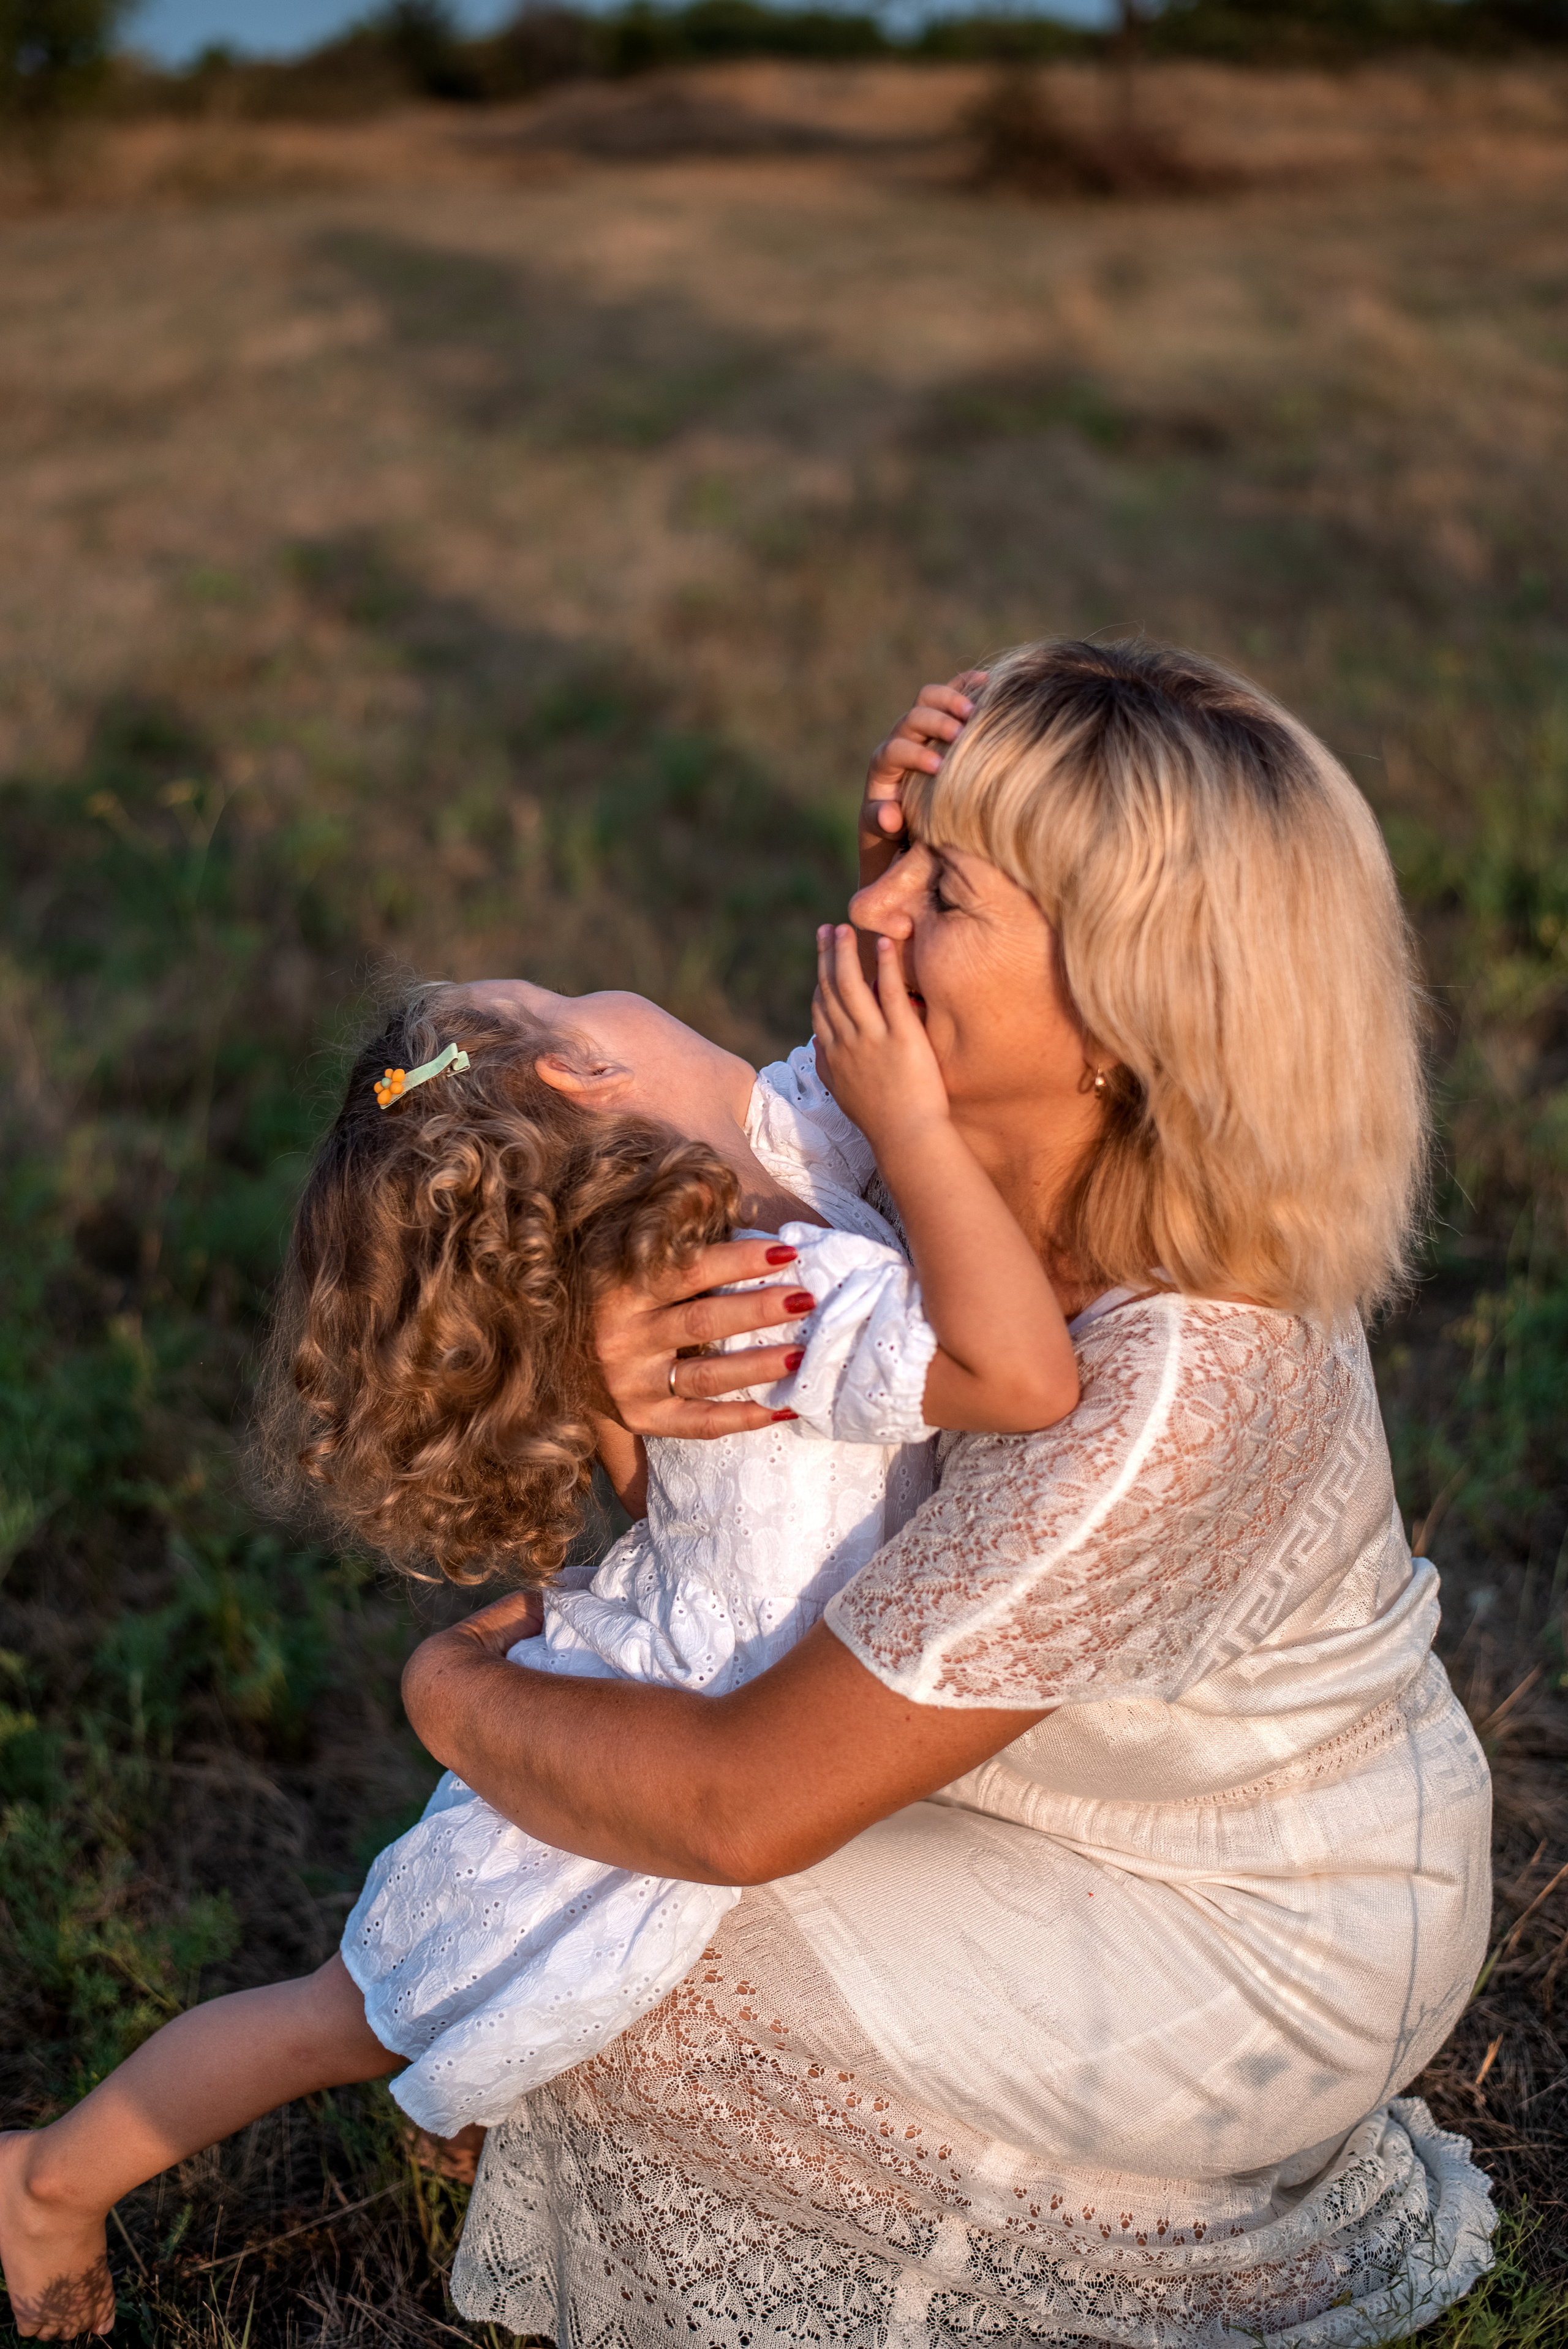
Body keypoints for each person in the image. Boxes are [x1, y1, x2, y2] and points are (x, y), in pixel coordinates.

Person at [413, 640, 1491, 2348]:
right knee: (547, 1917)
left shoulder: (1184, 1384)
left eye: (948, 891)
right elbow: (747, 1323)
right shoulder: (977, 1141)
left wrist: (453, 1695)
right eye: (895, 853)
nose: (867, 918)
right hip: (1020, 1794)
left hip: (1253, 1931)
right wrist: (620, 1367)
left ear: (1131, 1007)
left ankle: (1165, 2220)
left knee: (605, 1954)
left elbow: (735, 1803)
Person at [0, 909, 1081, 2334]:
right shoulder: (768, 1291)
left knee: (500, 2006)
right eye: (567, 989)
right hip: (676, 1732)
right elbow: (1023, 1381)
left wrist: (892, 896)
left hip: (735, 1685)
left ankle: (478, 2082)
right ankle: (48, 2182)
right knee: (357, 2002)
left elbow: (844, 1053)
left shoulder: (772, 1165)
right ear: (581, 1066)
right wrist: (923, 1138)